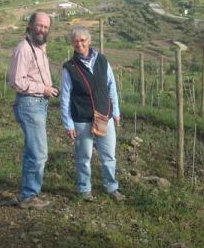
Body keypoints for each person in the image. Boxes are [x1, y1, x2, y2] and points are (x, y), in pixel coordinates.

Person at [60, 26, 125, 202]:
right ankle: (84, 189)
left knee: (108, 155)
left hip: (104, 115)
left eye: (83, 40)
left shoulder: (102, 61)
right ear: (72, 44)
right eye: (76, 41)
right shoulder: (70, 67)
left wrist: (116, 111)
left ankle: (111, 187)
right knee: (84, 157)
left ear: (89, 41)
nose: (79, 43)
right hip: (82, 118)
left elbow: (112, 86)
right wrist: (68, 123)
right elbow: (65, 97)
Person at [9, 11, 59, 210]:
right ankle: (29, 196)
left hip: (38, 104)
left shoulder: (39, 48)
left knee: (33, 151)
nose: (43, 30)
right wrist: (44, 88)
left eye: (46, 27)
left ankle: (28, 192)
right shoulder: (24, 49)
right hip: (30, 104)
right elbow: (16, 81)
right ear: (30, 25)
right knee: (39, 153)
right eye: (39, 26)